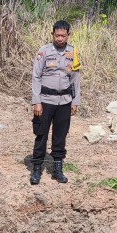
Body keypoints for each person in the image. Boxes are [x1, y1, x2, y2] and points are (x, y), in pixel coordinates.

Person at [30, 19, 81, 186]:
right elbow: (36, 77)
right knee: (41, 134)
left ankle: (57, 169)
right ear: (52, 35)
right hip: (45, 101)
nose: (60, 39)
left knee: (60, 136)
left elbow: (75, 79)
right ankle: (36, 168)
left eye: (63, 36)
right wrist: (36, 101)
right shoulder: (43, 52)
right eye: (57, 35)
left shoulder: (73, 53)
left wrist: (75, 101)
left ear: (68, 36)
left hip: (64, 101)